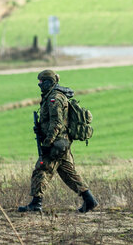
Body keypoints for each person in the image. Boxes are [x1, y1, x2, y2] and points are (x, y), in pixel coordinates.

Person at [18, 70, 98, 213]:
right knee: (69, 173)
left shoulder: (54, 98)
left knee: (41, 170)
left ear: (49, 82)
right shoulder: (53, 96)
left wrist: (48, 142)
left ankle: (36, 203)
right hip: (62, 143)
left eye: (41, 82)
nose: (39, 84)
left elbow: (56, 123)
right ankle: (89, 200)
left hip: (57, 143)